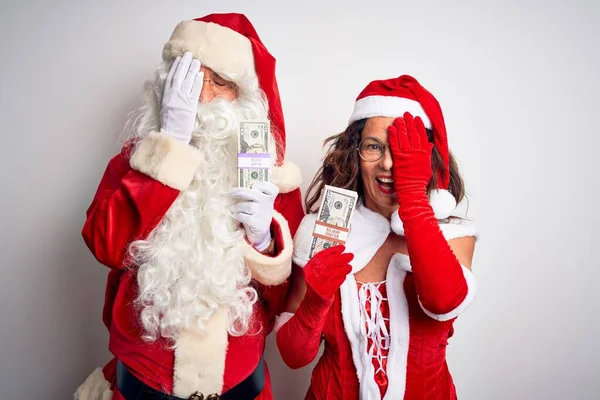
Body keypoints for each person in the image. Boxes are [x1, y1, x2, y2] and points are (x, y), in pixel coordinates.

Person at [74, 13, 304, 400]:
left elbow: (288, 301)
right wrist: (171, 149)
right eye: (194, 78)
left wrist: (265, 242)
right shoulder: (136, 162)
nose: (206, 96)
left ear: (244, 98)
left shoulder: (272, 179)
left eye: (222, 83)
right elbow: (104, 245)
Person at [276, 75, 479, 399]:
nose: (387, 163)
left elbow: (443, 301)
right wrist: (315, 302)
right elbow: (293, 357)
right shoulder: (325, 228)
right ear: (354, 153)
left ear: (426, 157)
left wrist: (413, 196)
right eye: (374, 146)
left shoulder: (452, 234)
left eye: (401, 150)